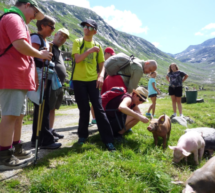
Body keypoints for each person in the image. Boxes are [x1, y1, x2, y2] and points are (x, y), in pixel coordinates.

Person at [0, 0, 53, 170]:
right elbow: (19, 45)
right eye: (34, 13)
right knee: (10, 115)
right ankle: (4, 156)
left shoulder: (19, 20)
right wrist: (40, 54)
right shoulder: (14, 18)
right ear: (27, 5)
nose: (34, 19)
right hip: (12, 74)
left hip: (18, 76)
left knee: (18, 114)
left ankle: (16, 147)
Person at [72, 19, 116, 151]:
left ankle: (108, 140)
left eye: (90, 27)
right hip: (78, 80)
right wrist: (90, 51)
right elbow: (78, 59)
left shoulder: (98, 46)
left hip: (93, 80)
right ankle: (82, 136)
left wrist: (101, 75)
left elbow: (102, 65)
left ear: (95, 31)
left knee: (98, 108)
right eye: (85, 26)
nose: (86, 28)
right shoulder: (77, 42)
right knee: (84, 109)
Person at [29, 15, 61, 149]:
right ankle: (45, 140)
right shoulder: (36, 38)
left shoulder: (45, 40)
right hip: (40, 76)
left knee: (43, 106)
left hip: (46, 76)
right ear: (42, 26)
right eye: (51, 27)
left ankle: (39, 137)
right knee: (43, 107)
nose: (53, 30)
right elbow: (32, 58)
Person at [49, 28, 70, 139]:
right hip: (51, 83)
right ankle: (46, 132)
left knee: (53, 108)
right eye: (61, 35)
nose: (62, 38)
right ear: (55, 34)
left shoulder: (58, 50)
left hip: (58, 84)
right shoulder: (50, 46)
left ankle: (51, 130)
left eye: (65, 37)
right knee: (48, 108)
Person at [90, 47, 116, 125]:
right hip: (98, 84)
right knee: (95, 101)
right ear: (106, 53)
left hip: (104, 85)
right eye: (111, 54)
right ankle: (94, 118)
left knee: (100, 102)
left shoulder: (108, 62)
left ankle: (98, 118)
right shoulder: (100, 62)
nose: (112, 56)